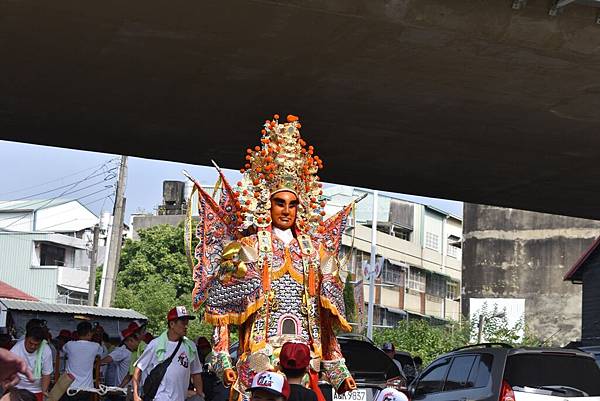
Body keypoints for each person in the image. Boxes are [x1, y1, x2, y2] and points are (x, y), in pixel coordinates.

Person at [188, 114, 358, 399]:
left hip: (304, 362)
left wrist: (338, 370)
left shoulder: (317, 253)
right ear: (267, 203)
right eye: (280, 202)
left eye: (292, 204)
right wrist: (222, 361)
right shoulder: (247, 247)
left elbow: (326, 324)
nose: (286, 210)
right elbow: (222, 318)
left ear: (300, 207)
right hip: (259, 358)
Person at [132, 306, 203, 401]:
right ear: (172, 324)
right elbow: (138, 369)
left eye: (187, 323)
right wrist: (136, 395)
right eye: (183, 323)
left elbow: (196, 373)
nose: (186, 326)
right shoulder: (155, 344)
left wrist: (199, 395)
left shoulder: (190, 347)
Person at [7, 326, 53, 401]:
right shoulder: (15, 350)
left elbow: (46, 374)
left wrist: (44, 391)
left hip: (37, 390)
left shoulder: (46, 350)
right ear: (25, 338)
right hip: (18, 388)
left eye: (36, 344)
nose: (33, 346)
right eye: (30, 343)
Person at [62, 322, 104, 401]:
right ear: (89, 333)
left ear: (77, 333)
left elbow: (63, 349)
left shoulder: (70, 345)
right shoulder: (95, 346)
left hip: (70, 386)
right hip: (86, 388)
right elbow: (101, 352)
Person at [101, 323, 141, 398]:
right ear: (129, 341)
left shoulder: (134, 352)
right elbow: (106, 360)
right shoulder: (122, 351)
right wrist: (96, 365)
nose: (138, 343)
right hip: (123, 392)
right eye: (136, 341)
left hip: (130, 390)